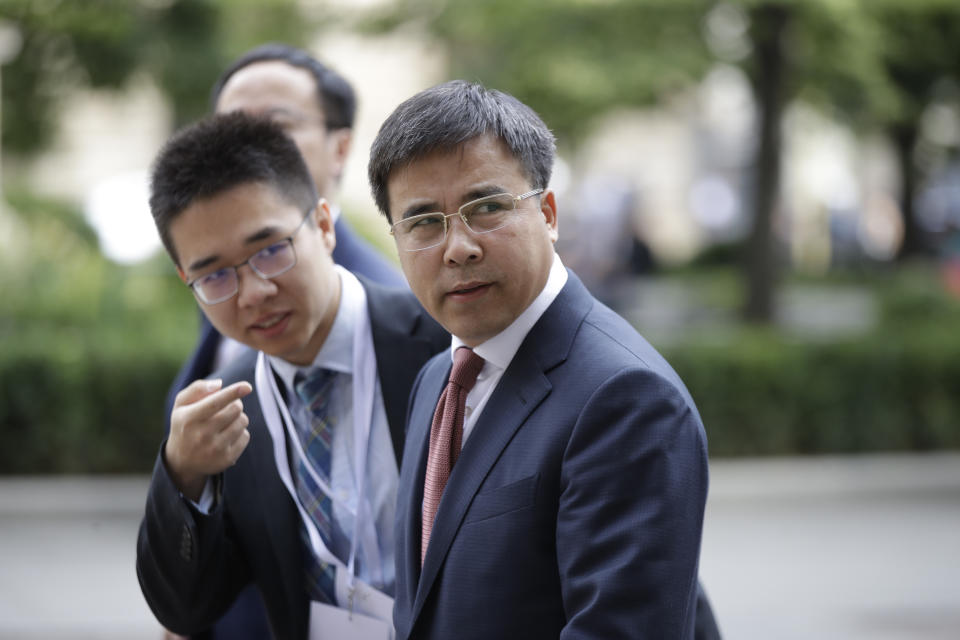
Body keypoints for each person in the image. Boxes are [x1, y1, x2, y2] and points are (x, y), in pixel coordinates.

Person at [368, 80, 713, 639]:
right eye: (424, 222)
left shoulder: (626, 399)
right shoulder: (438, 377)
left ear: (548, 213)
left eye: (486, 208)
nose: (459, 247)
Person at [137, 112, 448, 638]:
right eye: (214, 275)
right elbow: (186, 610)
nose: (254, 292)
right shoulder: (227, 413)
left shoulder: (442, 347)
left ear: (324, 225)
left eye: (271, 250)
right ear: (184, 279)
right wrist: (181, 475)